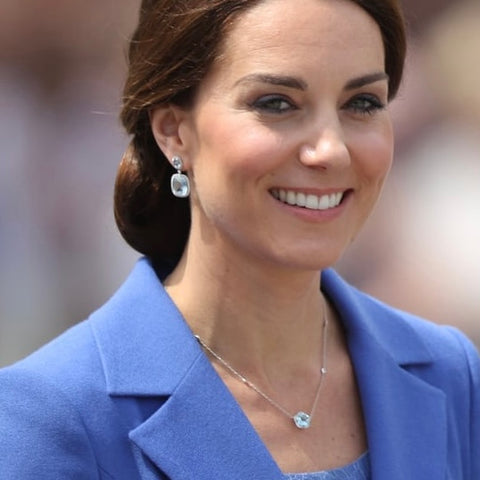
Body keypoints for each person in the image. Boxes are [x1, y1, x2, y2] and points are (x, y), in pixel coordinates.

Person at [0, 0, 478, 478]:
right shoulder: (51, 416)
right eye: (276, 103)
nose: (330, 149)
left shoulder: (451, 375)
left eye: (362, 103)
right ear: (172, 131)